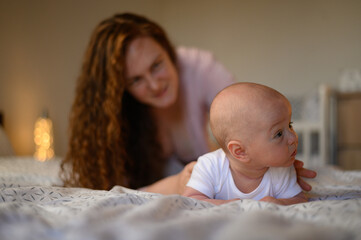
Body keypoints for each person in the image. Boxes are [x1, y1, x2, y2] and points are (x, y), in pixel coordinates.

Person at [60, 12, 316, 194]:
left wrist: (269, 161)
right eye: (136, 80)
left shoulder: (200, 68)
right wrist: (176, 185)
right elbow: (116, 190)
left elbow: (248, 123)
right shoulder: (117, 113)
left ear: (168, 49)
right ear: (121, 89)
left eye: (157, 65)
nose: (154, 84)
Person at [183, 83, 308, 205]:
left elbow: (300, 199)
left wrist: (278, 202)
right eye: (279, 134)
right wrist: (231, 205)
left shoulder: (281, 169)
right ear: (240, 151)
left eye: (290, 125)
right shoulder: (210, 166)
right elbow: (191, 201)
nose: (293, 137)